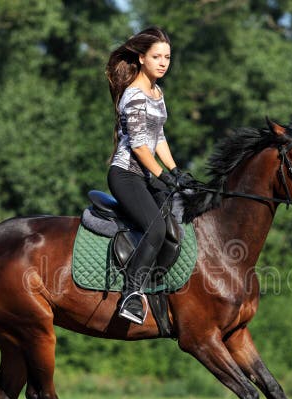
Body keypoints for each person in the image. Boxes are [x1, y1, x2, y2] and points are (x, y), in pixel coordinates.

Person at [105, 26, 190, 325]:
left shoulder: (156, 92)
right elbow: (141, 147)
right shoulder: (135, 95)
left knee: (177, 217)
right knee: (154, 230)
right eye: (157, 56)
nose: (163, 62)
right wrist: (162, 176)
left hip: (146, 174)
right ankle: (130, 294)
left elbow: (159, 138)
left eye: (167, 57)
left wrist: (176, 171)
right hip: (126, 175)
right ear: (141, 58)